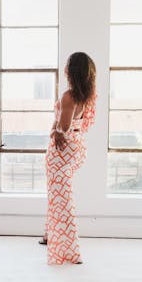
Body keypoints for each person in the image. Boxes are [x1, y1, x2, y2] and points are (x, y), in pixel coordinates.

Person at [43, 52, 97, 265]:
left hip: (62, 152)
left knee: (61, 200)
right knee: (58, 196)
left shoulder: (68, 96)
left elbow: (64, 126)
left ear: (71, 71)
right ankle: (49, 235)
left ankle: (68, 250)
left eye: (67, 65)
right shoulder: (86, 96)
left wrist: (56, 130)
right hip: (77, 148)